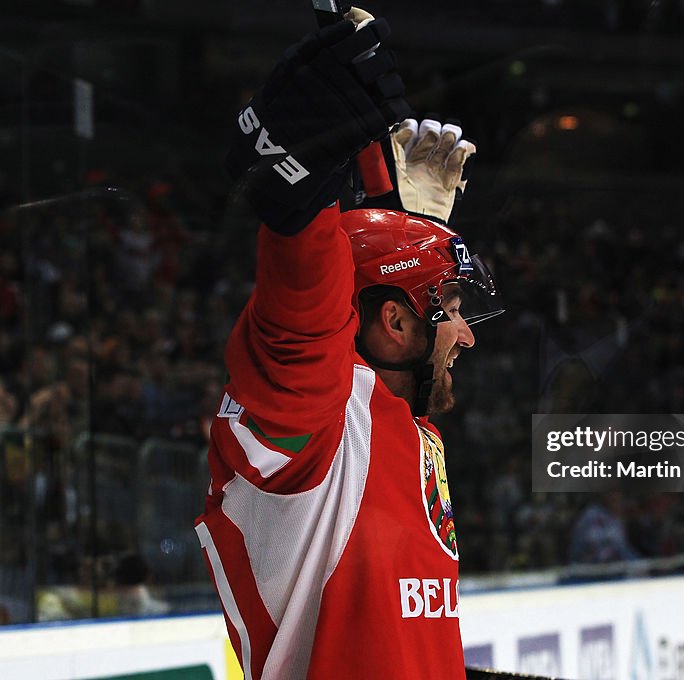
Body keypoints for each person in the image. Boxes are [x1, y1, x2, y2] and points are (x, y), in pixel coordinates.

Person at [194, 8, 502, 679]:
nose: (468, 334)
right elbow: (304, 307)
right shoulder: (318, 425)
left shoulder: (410, 428)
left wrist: (405, 231)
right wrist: (306, 184)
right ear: (395, 323)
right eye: (450, 309)